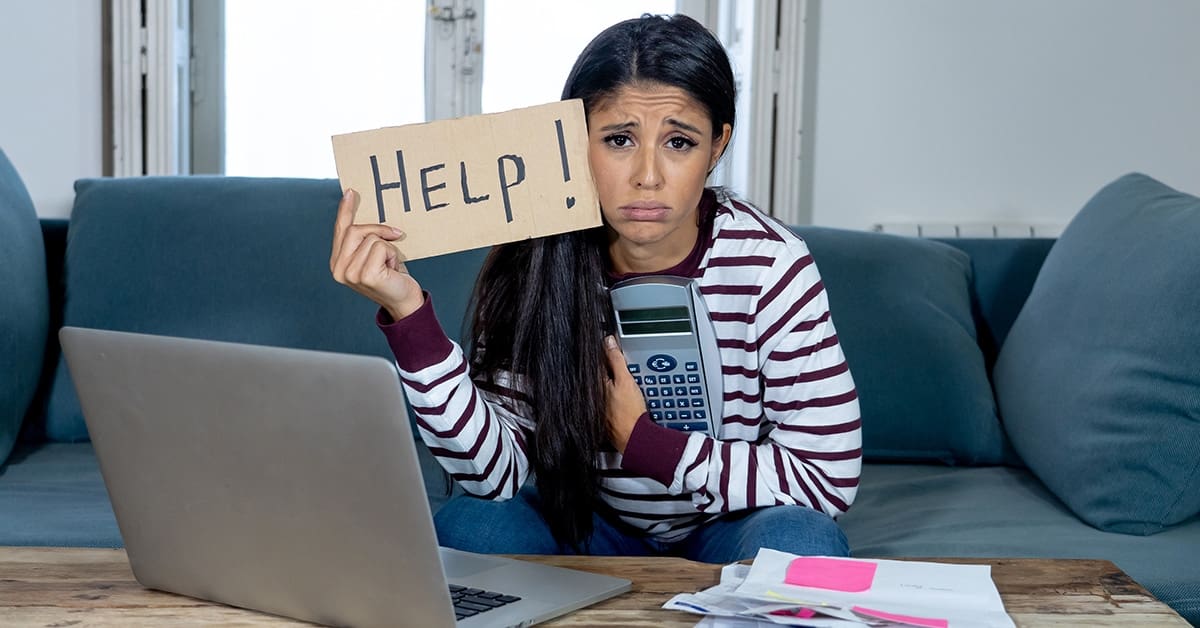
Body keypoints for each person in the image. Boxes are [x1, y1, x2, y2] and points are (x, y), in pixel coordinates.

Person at [330, 13, 861, 564]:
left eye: (679, 141)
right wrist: (409, 315)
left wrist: (644, 442)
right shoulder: (534, 257)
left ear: (718, 145)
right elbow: (494, 475)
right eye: (619, 139)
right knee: (471, 524)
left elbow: (827, 479)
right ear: (574, 143)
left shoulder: (771, 265)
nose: (648, 175)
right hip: (587, 522)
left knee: (804, 542)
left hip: (729, 527)